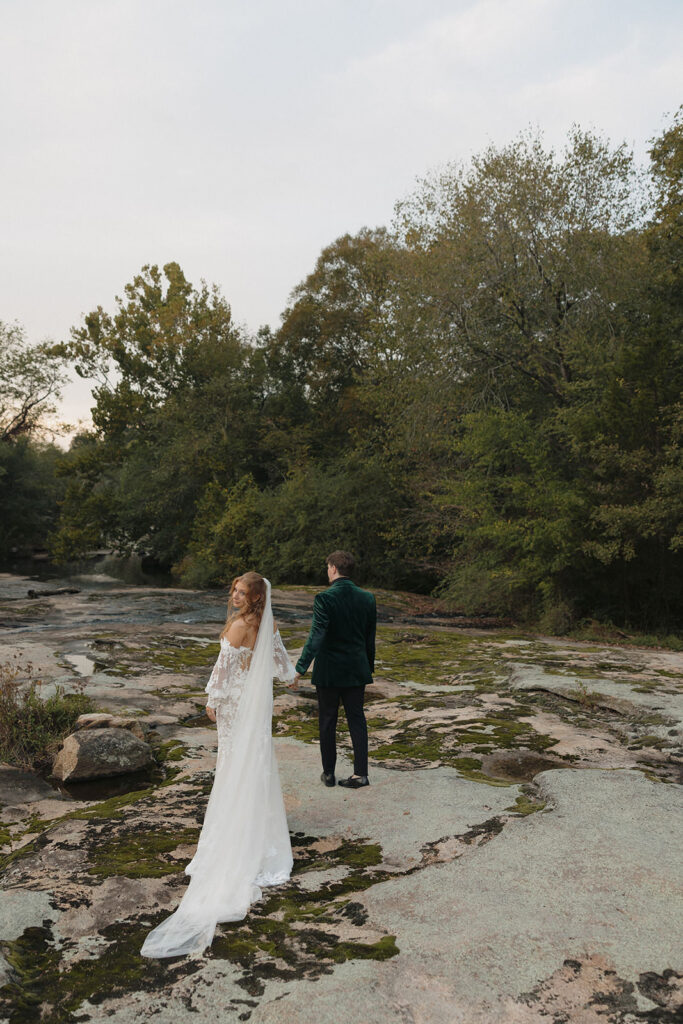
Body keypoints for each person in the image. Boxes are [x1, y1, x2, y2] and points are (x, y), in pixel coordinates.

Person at [141, 572, 295, 959]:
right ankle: (260, 835)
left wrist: (211, 700)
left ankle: (234, 831)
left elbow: (222, 669)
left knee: (232, 765)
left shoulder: (239, 626)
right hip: (255, 706)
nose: (235, 595)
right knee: (254, 763)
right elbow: (281, 666)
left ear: (256, 596)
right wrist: (293, 676)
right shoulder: (268, 623)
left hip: (234, 704)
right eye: (234, 590)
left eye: (242, 592)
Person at [293, 551, 376, 789]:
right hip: (356, 669)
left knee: (328, 720)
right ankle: (361, 774)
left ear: (333, 568)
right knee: (357, 719)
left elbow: (316, 635)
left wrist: (300, 668)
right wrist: (368, 667)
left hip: (329, 670)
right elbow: (369, 637)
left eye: (328, 567)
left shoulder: (324, 598)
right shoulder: (367, 598)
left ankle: (328, 774)